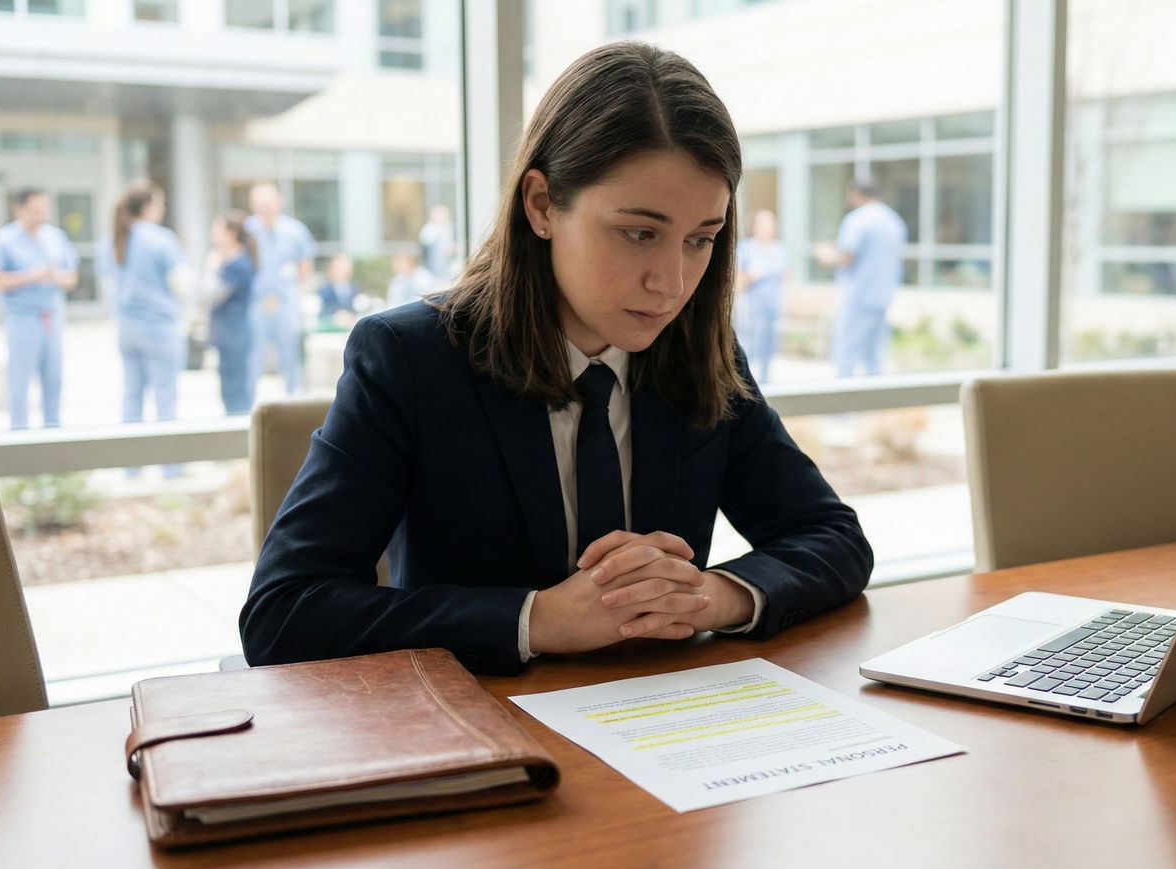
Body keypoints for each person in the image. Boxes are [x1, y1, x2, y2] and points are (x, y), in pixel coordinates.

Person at [241, 42, 873, 675]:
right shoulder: (411, 359)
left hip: (662, 722)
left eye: (700, 239)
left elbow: (834, 539)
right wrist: (537, 618)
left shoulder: (698, 352)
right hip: (490, 730)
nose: (673, 283)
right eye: (638, 233)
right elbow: (285, 612)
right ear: (542, 204)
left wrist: (711, 595)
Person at [99, 182, 185, 439]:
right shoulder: (160, 238)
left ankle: (131, 465)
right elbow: (181, 284)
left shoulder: (113, 240)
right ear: (149, 207)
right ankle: (169, 465)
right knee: (165, 395)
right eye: (160, 203)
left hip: (127, 328)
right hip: (158, 327)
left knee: (132, 394)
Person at [0, 189, 78, 429]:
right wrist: (31, 276)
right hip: (22, 318)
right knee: (20, 381)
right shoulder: (3, 240)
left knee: (54, 379)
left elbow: (72, 277)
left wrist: (55, 276)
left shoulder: (55, 237)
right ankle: (18, 435)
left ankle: (52, 433)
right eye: (35, 210)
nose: (41, 216)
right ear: (19, 209)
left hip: (52, 316)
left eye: (44, 210)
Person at [816, 180, 906, 377]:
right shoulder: (893, 220)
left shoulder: (858, 219)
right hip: (882, 297)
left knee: (846, 351)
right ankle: (874, 403)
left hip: (858, 297)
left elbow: (846, 256)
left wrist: (825, 254)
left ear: (855, 194)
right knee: (874, 355)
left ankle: (842, 406)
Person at [245, 182, 316, 396]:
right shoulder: (248, 230)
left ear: (278, 203)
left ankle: (293, 395)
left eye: (267, 203)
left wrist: (300, 292)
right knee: (254, 353)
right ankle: (249, 401)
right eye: (258, 204)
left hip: (285, 300)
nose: (263, 209)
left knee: (290, 352)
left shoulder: (294, 230)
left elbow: (305, 264)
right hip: (256, 301)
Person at [204, 210, 257, 415]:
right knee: (229, 385)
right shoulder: (230, 262)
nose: (213, 235)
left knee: (237, 388)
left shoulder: (238, 264)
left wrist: (211, 267)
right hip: (227, 334)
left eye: (217, 230)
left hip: (236, 334)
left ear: (231, 233)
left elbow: (213, 295)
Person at [734, 209, 788, 383]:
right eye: (763, 224)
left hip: (773, 307)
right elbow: (736, 280)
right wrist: (751, 275)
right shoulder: (746, 248)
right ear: (755, 227)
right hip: (752, 308)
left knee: (769, 348)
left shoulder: (780, 249)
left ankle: (765, 382)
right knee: (749, 348)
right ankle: (745, 383)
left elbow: (786, 275)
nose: (767, 228)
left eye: (770, 224)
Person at [316, 253, 361, 329]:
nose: (342, 273)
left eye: (345, 270)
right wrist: (336, 315)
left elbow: (359, 308)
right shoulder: (324, 290)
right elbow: (321, 311)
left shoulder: (355, 289)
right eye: (339, 270)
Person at [418, 204, 459, 282]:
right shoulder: (427, 231)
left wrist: (454, 249)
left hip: (450, 268)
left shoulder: (452, 229)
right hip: (431, 271)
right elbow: (423, 252)